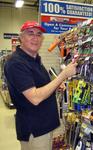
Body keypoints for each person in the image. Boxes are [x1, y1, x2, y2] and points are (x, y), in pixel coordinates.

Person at [4, 21, 77, 150]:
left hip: (43, 126)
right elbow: (35, 97)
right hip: (35, 129)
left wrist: (55, 85)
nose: (35, 38)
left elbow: (39, 85)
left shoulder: (34, 59)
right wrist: (63, 75)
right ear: (21, 37)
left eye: (38, 34)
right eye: (30, 33)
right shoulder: (16, 63)